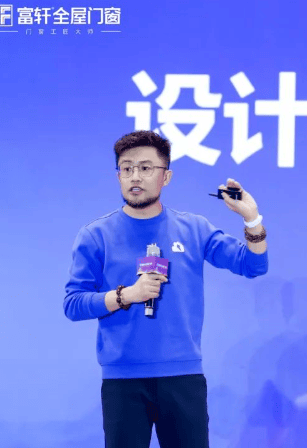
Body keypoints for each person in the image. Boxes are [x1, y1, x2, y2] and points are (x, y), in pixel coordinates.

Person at [63, 130, 268, 448]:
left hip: (183, 377)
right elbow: (73, 304)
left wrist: (252, 220)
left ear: (166, 177)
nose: (135, 176)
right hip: (123, 380)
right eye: (127, 168)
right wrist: (127, 295)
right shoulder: (95, 235)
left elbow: (253, 265)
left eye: (146, 168)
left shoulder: (194, 229)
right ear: (118, 176)